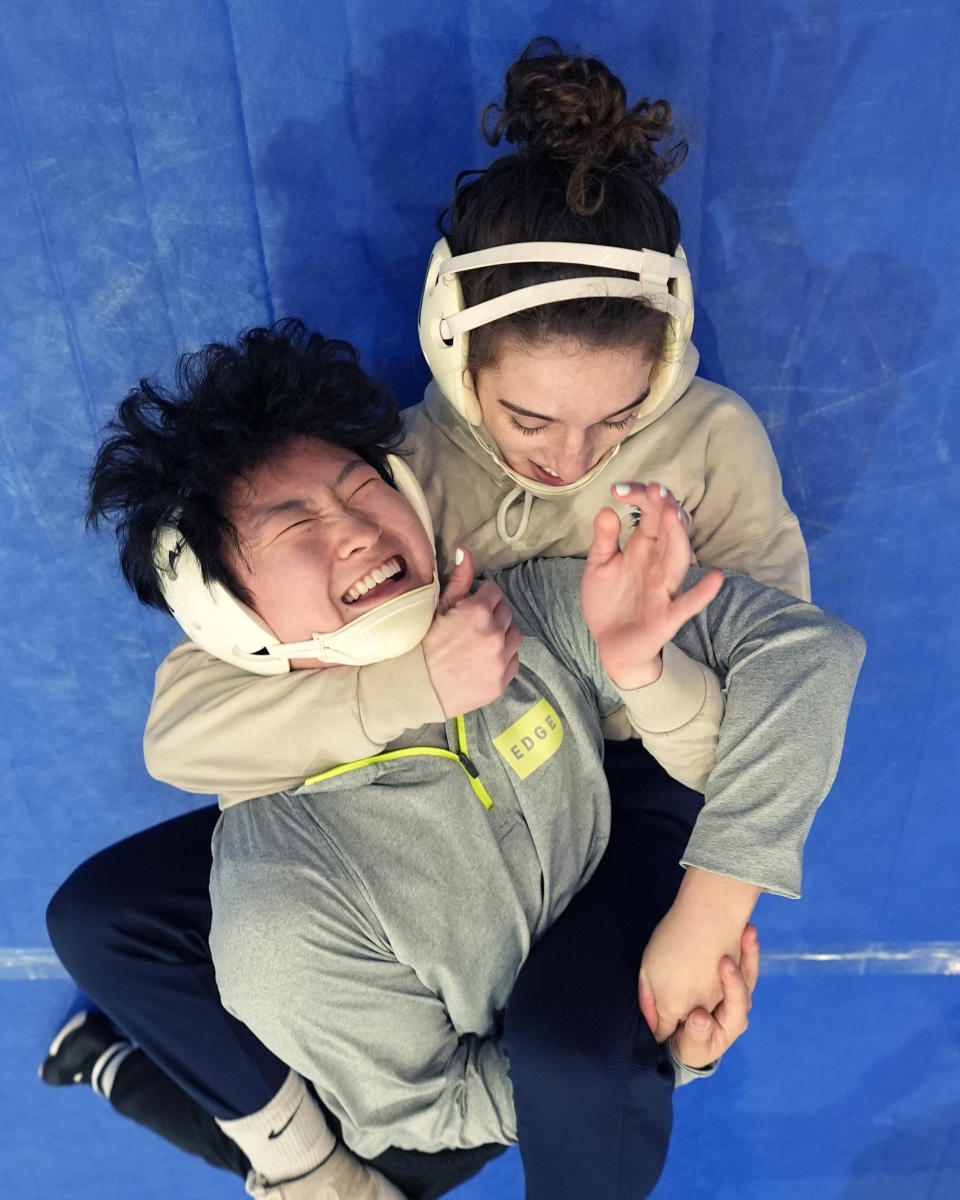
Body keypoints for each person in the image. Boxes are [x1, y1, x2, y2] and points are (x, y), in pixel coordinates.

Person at [43, 39, 832, 1200]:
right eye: (529, 420)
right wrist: (419, 689)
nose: (572, 463)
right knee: (105, 916)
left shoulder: (711, 445)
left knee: (565, 1052)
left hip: (644, 776)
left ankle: (210, 1118)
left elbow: (783, 692)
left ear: (666, 367)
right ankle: (300, 1165)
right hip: (451, 776)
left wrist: (709, 915)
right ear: (454, 356)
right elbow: (196, 721)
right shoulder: (390, 479)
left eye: (618, 421)